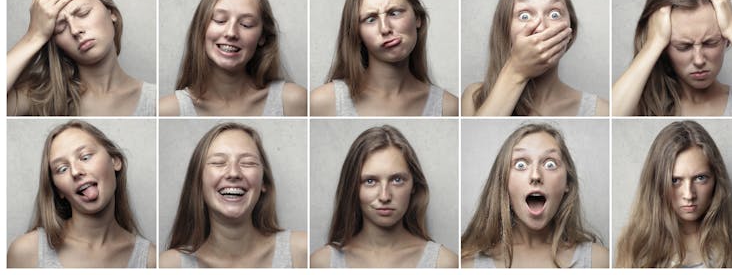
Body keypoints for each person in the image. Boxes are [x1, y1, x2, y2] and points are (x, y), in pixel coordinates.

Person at [6, 120, 155, 268]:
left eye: (85, 157)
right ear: (58, 190)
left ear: (115, 161)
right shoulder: (25, 253)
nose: (76, 172)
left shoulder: (151, 261)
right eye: (62, 169)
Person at [311, 0, 458, 116]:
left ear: (418, 17)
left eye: (394, 13)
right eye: (370, 19)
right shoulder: (323, 102)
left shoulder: (449, 108)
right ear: (357, 33)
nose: (385, 28)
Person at [615, 120, 732, 267]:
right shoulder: (634, 245)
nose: (689, 195)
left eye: (700, 178)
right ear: (657, 183)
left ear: (716, 179)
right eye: (675, 180)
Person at [461, 122, 608, 268]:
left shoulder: (599, 262)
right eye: (521, 165)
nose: (536, 175)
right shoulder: (466, 264)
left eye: (550, 164)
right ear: (503, 182)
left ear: (567, 183)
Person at [160, 123, 307, 268]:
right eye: (218, 163)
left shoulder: (301, 252)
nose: (234, 173)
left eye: (248, 163)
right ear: (198, 182)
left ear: (264, 182)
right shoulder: (169, 265)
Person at [612, 0, 732, 117]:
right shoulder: (636, 103)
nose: (699, 60)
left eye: (710, 43)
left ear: (726, 40)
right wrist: (653, 44)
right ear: (664, 49)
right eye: (684, 46)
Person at [462, 0, 607, 116]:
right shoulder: (474, 98)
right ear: (505, 31)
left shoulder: (601, 111)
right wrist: (516, 70)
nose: (541, 27)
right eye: (524, 16)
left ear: (570, 31)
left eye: (554, 14)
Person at [7, 0, 155, 116]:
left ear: (111, 13)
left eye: (83, 13)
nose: (75, 30)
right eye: (60, 27)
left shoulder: (154, 101)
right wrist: (34, 35)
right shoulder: (41, 97)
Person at [311, 125, 458, 267]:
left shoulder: (444, 263)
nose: (384, 196)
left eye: (397, 180)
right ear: (352, 187)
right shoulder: (322, 263)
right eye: (370, 181)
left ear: (414, 185)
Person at [159, 0, 306, 117]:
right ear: (201, 28)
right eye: (220, 20)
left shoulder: (293, 101)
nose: (231, 33)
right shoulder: (167, 110)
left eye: (246, 24)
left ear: (262, 37)